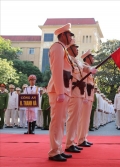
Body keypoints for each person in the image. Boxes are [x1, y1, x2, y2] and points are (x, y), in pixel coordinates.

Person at [47, 23, 74, 161]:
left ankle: (58, 149)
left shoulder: (63, 48)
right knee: (57, 122)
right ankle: (53, 152)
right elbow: (57, 70)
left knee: (61, 121)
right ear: (63, 35)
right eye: (70, 34)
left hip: (64, 89)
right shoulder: (57, 47)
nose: (71, 37)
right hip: (59, 90)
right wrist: (60, 92)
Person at [77, 49, 97, 148]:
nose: (93, 58)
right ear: (87, 58)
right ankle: (80, 139)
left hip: (89, 96)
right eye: (91, 57)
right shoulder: (84, 68)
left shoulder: (89, 68)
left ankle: (84, 138)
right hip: (86, 96)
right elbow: (84, 82)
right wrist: (84, 95)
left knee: (86, 119)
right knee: (83, 119)